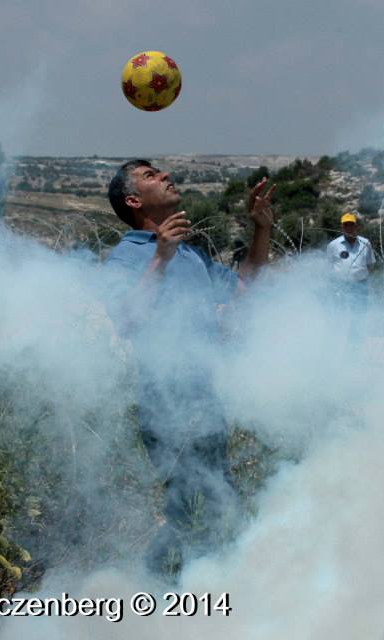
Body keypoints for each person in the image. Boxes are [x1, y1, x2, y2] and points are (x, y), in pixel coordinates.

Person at [105, 159, 274, 577]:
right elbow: (126, 321)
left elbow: (243, 285)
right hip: (166, 405)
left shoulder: (191, 254)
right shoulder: (125, 259)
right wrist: (161, 256)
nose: (163, 175)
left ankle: (204, 591)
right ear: (133, 200)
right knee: (193, 510)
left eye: (160, 171)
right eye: (150, 175)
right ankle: (165, 594)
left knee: (216, 505)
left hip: (206, 399)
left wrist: (262, 229)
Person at [326, 213, 376, 337]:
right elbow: (329, 266)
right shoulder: (334, 245)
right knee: (341, 315)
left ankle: (355, 343)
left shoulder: (365, 243)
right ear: (342, 227)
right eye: (346, 225)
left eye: (351, 225)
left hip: (360, 286)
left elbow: (370, 264)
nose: (349, 228)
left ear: (356, 226)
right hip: (341, 286)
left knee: (359, 316)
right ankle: (338, 339)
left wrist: (361, 276)